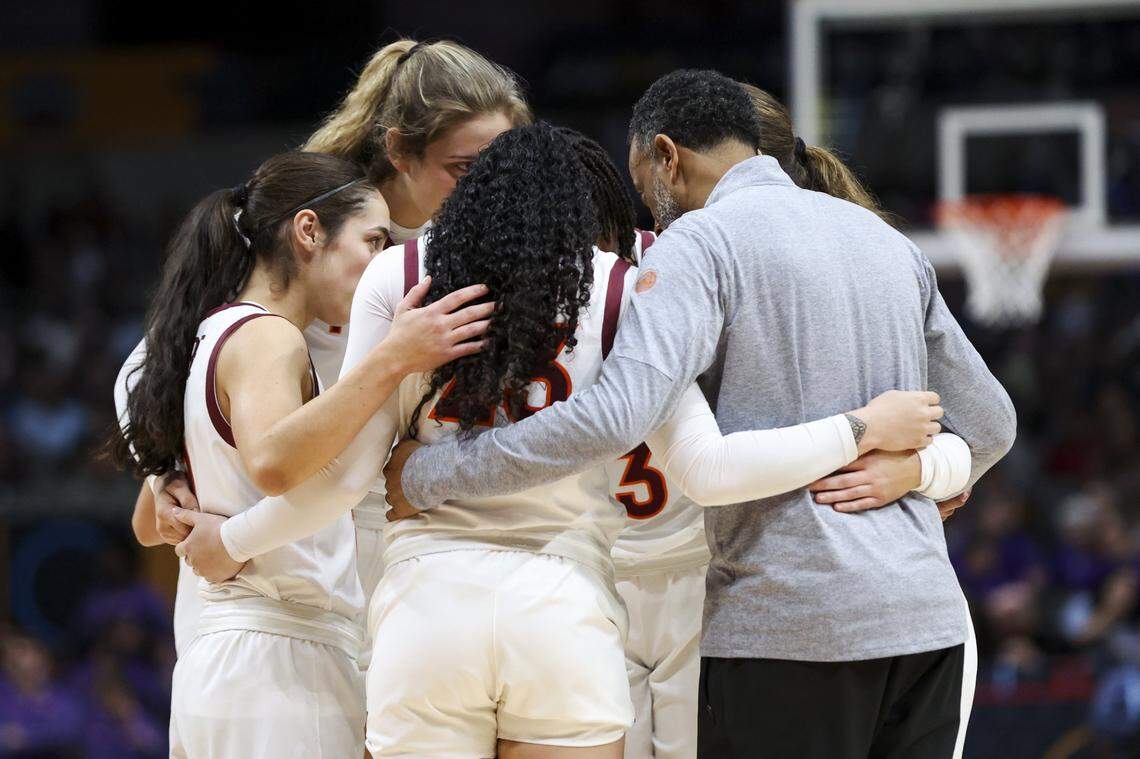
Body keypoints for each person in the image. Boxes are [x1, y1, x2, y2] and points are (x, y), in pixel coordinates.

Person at [176, 123, 959, 757]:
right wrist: (877, 435)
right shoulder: (627, 285)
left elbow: (349, 480)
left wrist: (237, 536)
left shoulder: (402, 273)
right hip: (565, 603)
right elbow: (709, 468)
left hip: (427, 606)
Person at [383, 71, 1017, 759]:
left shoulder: (700, 243)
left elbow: (613, 418)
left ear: (667, 157)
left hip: (788, 621)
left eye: (642, 181)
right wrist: (920, 470)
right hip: (926, 622)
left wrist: (435, 472)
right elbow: (992, 424)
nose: (650, 218)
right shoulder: (888, 242)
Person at [119, 36, 531, 662]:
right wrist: (163, 471)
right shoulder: (309, 222)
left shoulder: (483, 244)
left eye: (503, 168)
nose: (489, 191)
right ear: (399, 150)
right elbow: (145, 368)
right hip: (256, 551)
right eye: (464, 169)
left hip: (377, 530)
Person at [110, 150, 490, 757]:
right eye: (371, 241)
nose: (378, 264)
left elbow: (146, 522)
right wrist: (395, 356)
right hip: (277, 659)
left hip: (223, 659)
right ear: (309, 231)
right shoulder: (268, 336)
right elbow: (273, 462)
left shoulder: (209, 331)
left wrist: (180, 506)